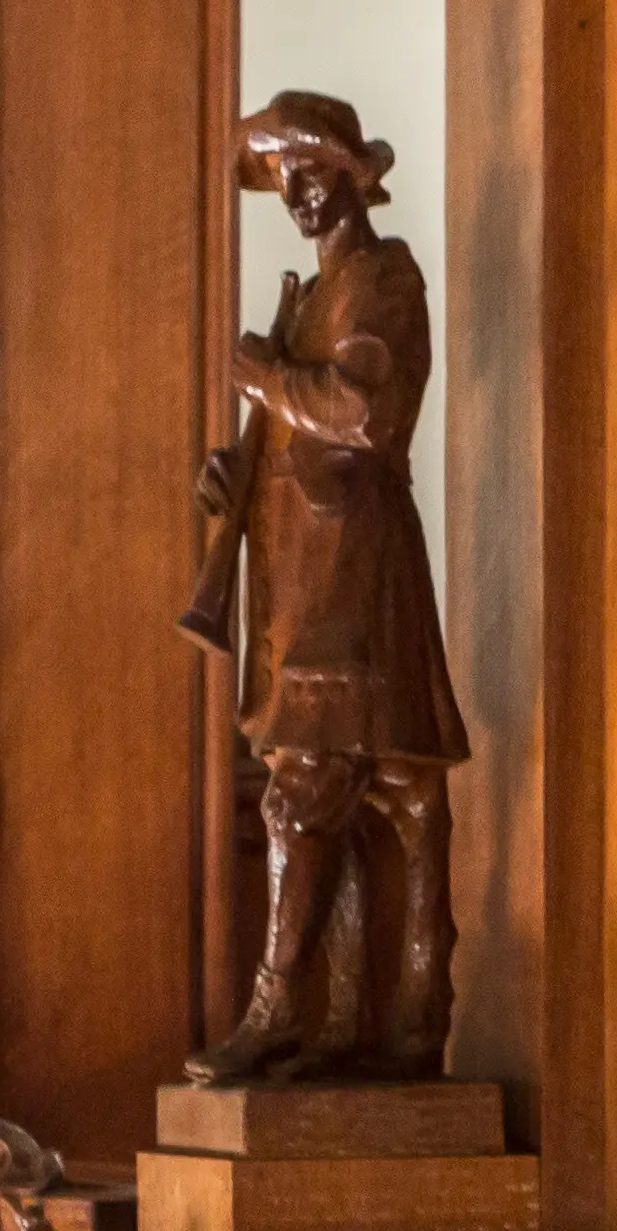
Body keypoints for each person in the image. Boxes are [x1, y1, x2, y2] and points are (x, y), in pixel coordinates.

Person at [189, 91, 470, 1083]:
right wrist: (239, 473)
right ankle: (362, 1019)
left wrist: (267, 378)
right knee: (376, 801)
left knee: (305, 797)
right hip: (302, 582)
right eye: (284, 180)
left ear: (355, 175)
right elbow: (302, 431)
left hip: (352, 580)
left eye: (312, 172)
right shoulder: (310, 296)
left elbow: (364, 411)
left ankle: (277, 1008)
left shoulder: (385, 278)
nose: (298, 194)